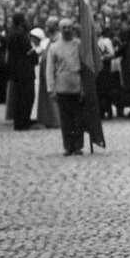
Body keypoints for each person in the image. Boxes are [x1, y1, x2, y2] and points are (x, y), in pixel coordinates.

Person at [46, 18, 84, 156]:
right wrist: (51, 89)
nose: (67, 30)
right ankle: (68, 146)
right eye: (64, 28)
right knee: (66, 119)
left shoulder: (78, 44)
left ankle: (78, 145)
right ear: (60, 30)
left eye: (69, 27)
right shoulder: (54, 47)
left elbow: (85, 66)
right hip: (62, 86)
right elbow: (49, 70)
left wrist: (84, 87)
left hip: (76, 84)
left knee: (78, 118)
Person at [6, 13, 38, 131]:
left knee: (18, 97)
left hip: (15, 70)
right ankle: (24, 122)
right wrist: (35, 58)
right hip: (25, 70)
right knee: (27, 97)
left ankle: (18, 122)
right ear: (21, 21)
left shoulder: (10, 33)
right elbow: (29, 51)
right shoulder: (21, 34)